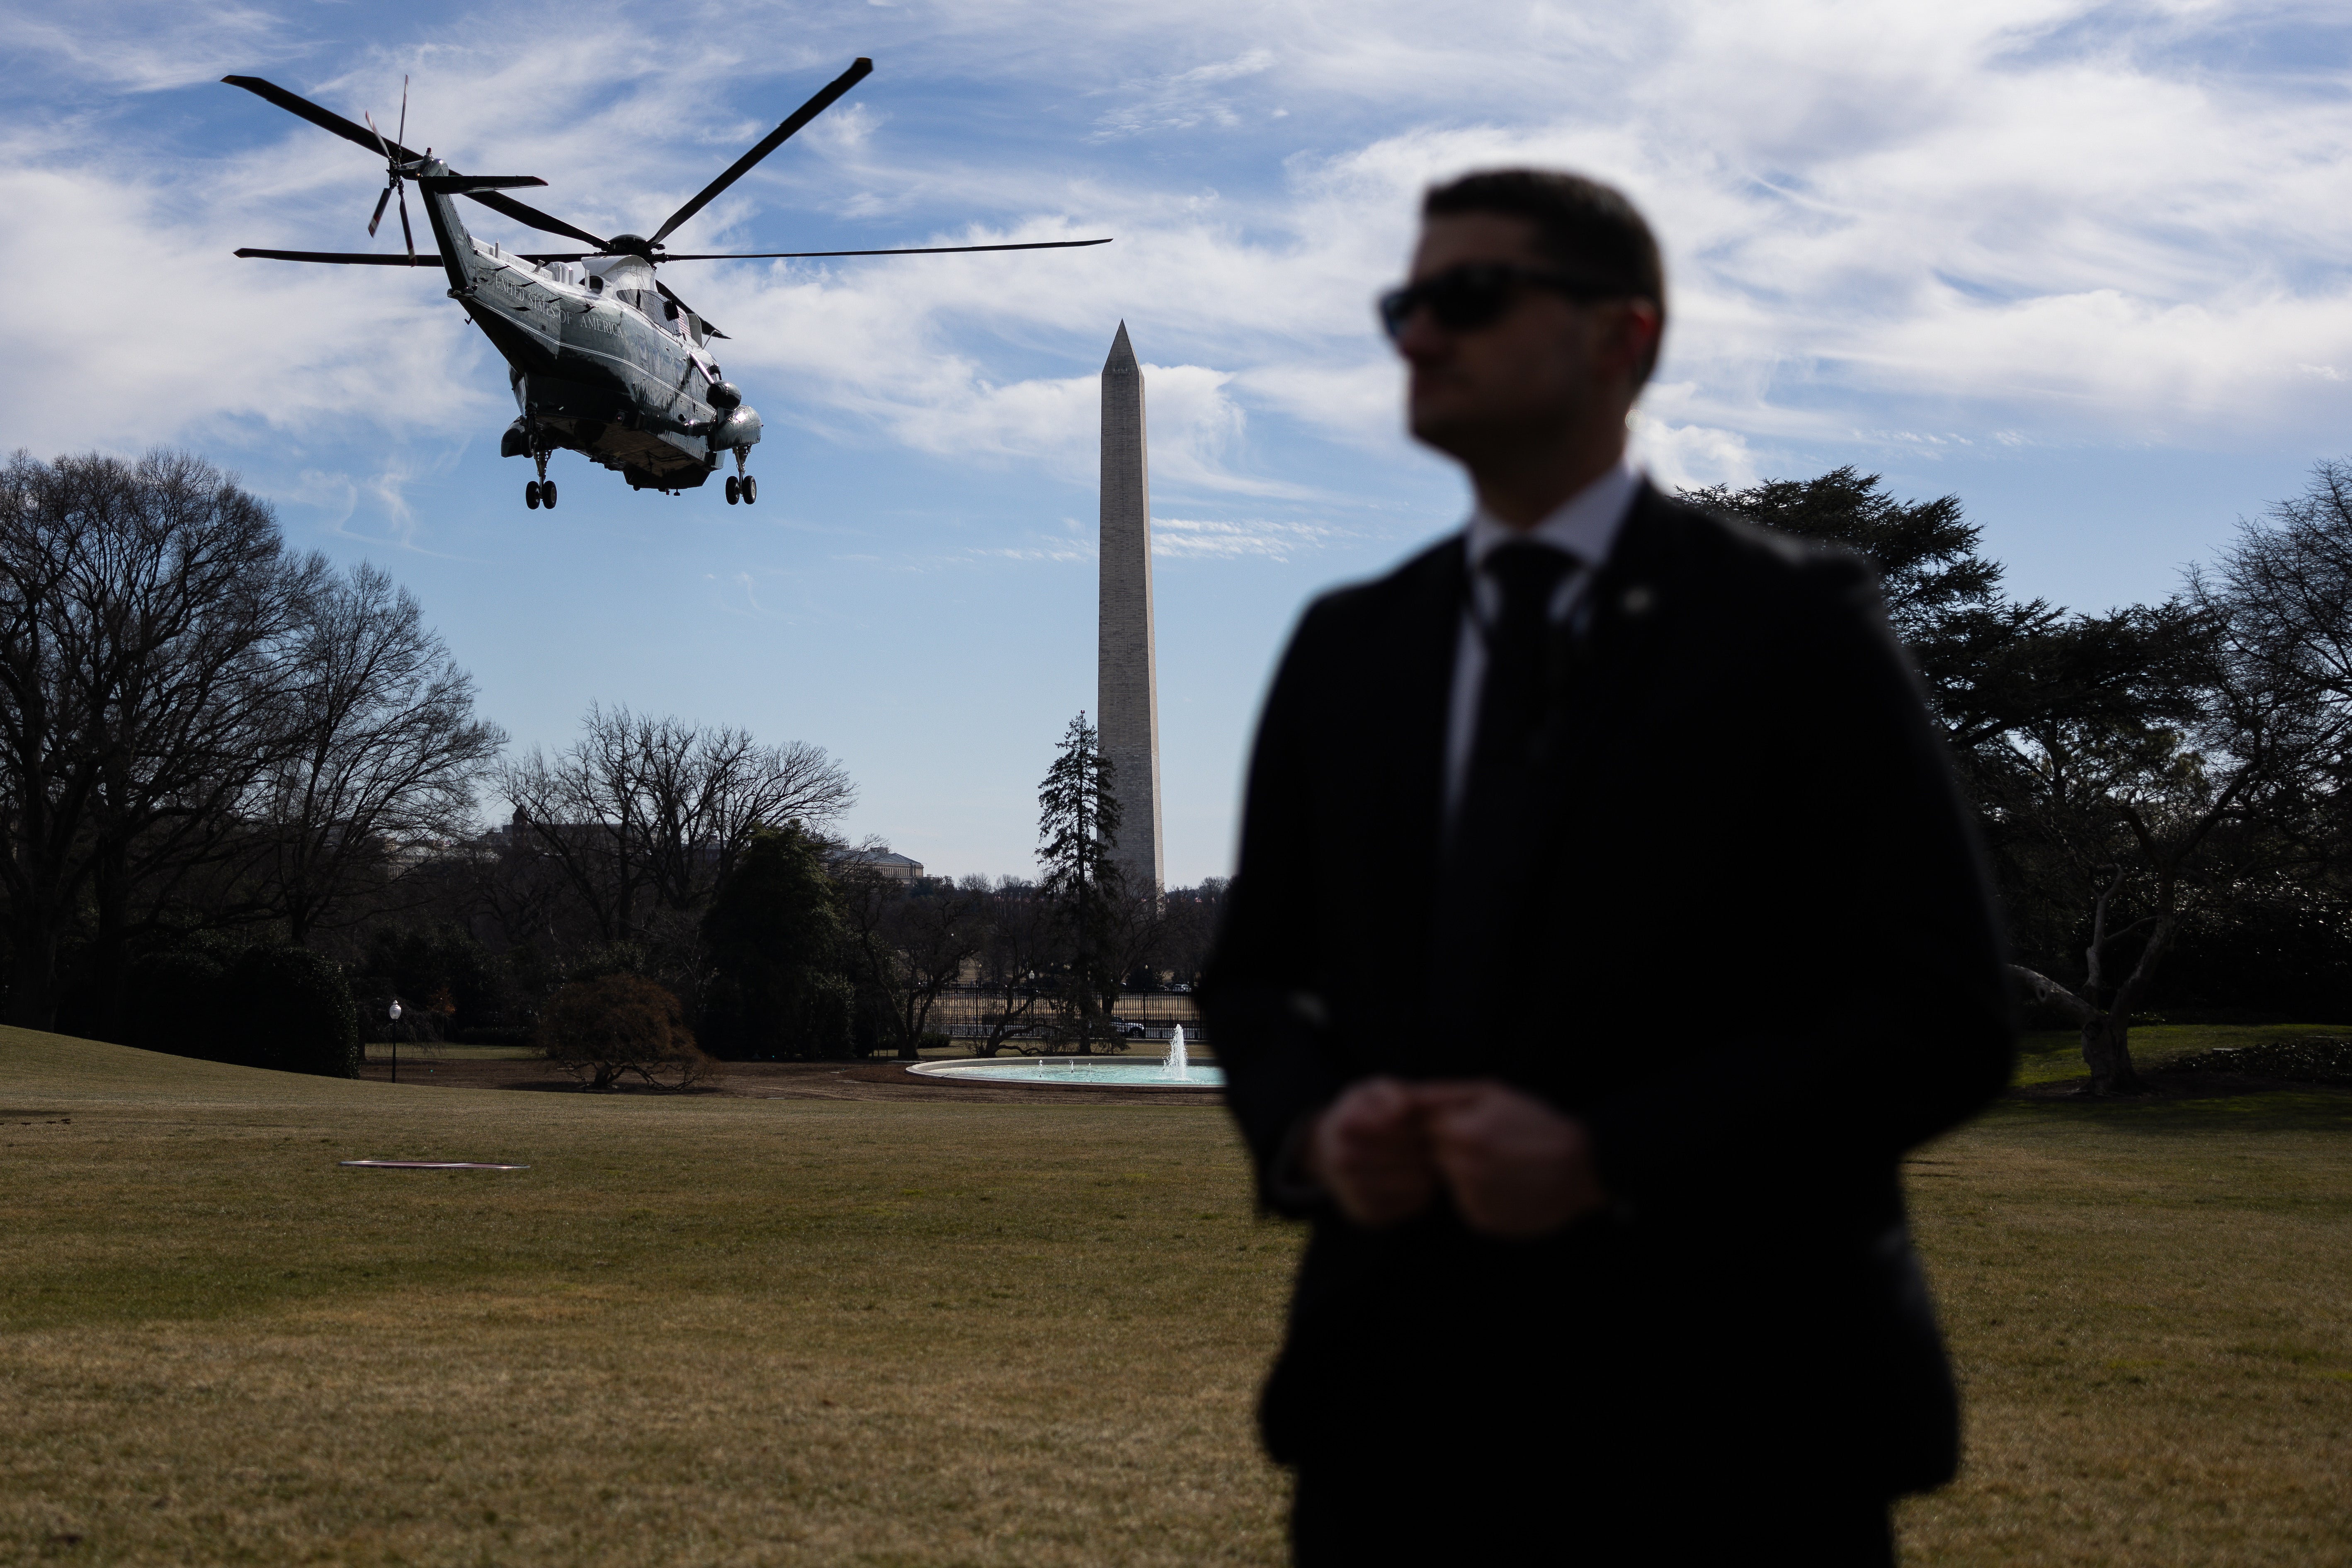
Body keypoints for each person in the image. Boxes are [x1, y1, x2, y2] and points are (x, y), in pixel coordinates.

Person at [1201, 169, 2015, 1566]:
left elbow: (1939, 1012)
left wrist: (1604, 1158)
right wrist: (1317, 1131)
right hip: (1393, 1422)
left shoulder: (1789, 628)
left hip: (1732, 1424)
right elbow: (1257, 977)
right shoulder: (1350, 645)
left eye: (1469, 297)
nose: (1418, 337)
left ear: (1619, 337)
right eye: (1404, 305)